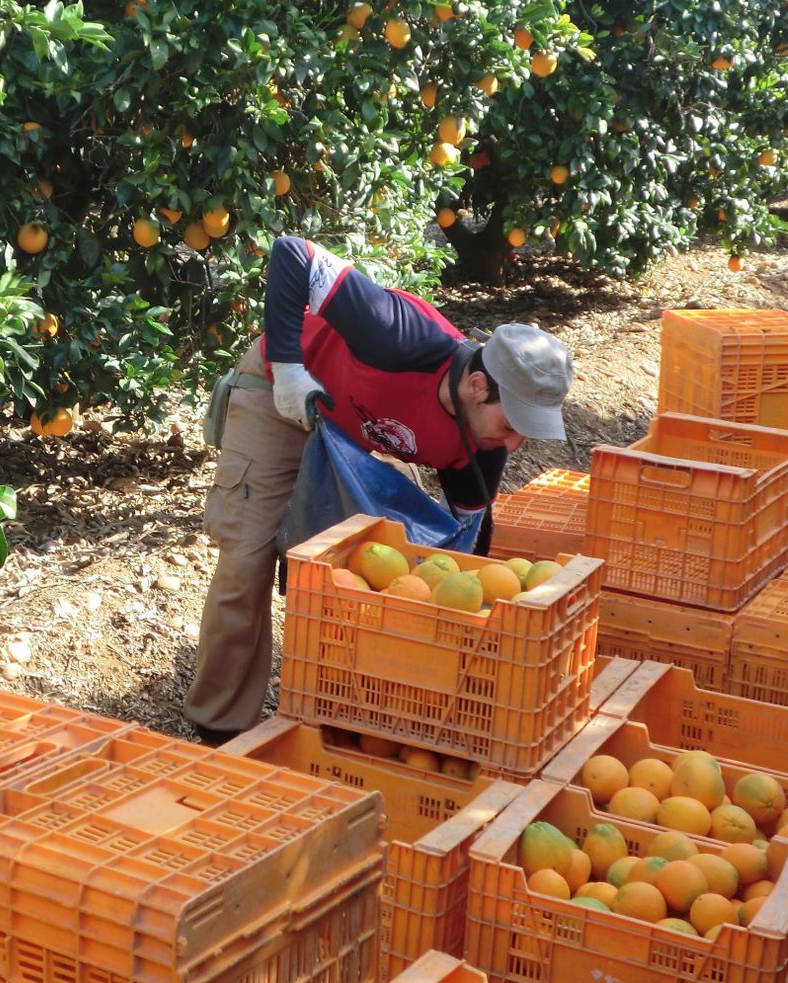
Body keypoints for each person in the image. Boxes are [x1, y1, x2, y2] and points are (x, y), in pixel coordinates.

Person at [184, 235, 573, 744]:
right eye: (514, 420)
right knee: (246, 558)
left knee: (361, 569)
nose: (517, 441)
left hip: (352, 436)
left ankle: (337, 713)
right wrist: (290, 368)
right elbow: (291, 254)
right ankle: (219, 727)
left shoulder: (485, 441)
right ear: (477, 385)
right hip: (283, 396)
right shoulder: (396, 333)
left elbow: (462, 555)